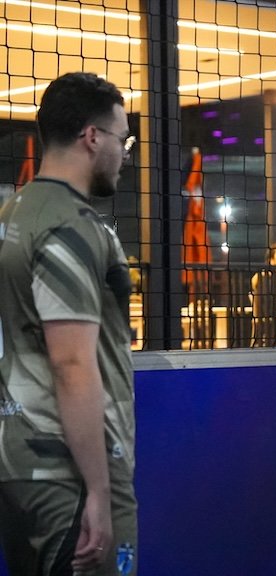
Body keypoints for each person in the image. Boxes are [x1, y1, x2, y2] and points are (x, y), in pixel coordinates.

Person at [0, 72, 138, 575]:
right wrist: (98, 490)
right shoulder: (70, 227)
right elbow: (72, 364)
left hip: (18, 460)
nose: (124, 154)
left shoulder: (12, 214)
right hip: (68, 471)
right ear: (92, 137)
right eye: (123, 139)